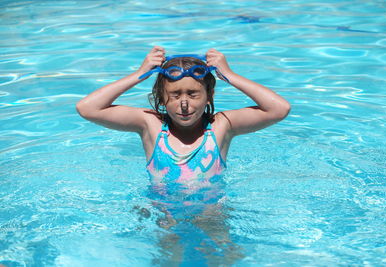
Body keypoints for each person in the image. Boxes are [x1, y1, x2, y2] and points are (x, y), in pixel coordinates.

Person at [76, 46, 290, 263]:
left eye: (193, 94)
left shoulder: (221, 125)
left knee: (226, 257)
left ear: (209, 95)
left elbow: (279, 109)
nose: (184, 103)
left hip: (211, 216)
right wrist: (140, 73)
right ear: (161, 97)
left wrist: (229, 75)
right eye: (175, 95)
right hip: (164, 216)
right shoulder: (150, 124)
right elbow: (87, 108)